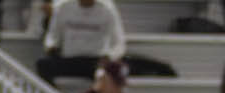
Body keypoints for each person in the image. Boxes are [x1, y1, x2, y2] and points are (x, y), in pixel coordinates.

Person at [40, 0, 170, 83]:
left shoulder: (107, 8)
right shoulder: (63, 6)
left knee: (121, 68)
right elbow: (52, 37)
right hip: (71, 60)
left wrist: (108, 57)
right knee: (43, 64)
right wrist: (51, 48)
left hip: (97, 61)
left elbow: (119, 43)